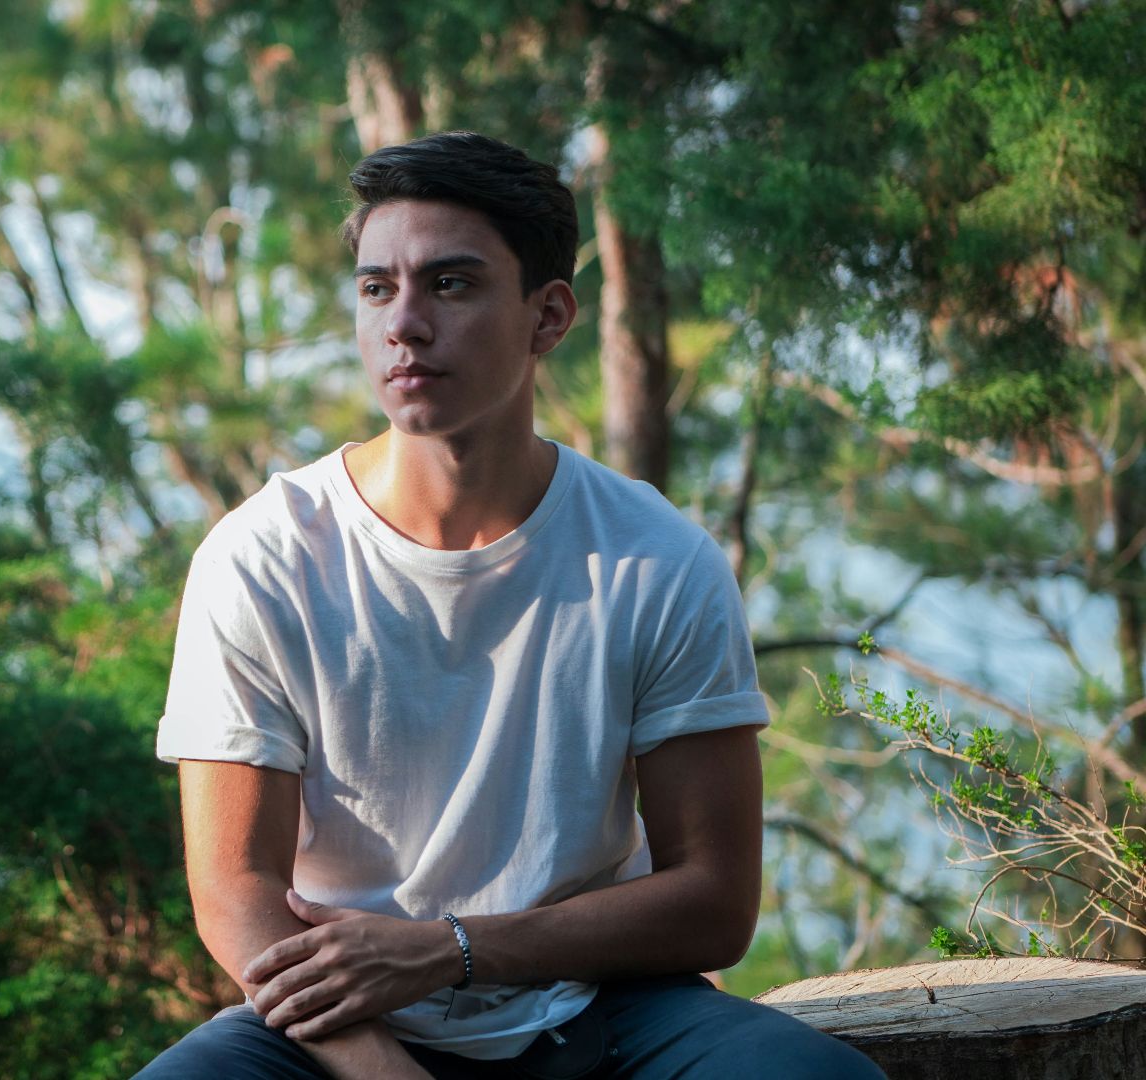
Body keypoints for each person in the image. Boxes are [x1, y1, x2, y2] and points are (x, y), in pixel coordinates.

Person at [133, 132, 883, 1080]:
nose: (404, 323)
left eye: (450, 284)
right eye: (376, 288)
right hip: (341, 1024)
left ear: (549, 315)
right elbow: (235, 891)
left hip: (603, 1005)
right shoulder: (265, 557)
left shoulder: (654, 559)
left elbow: (715, 902)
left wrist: (453, 948)